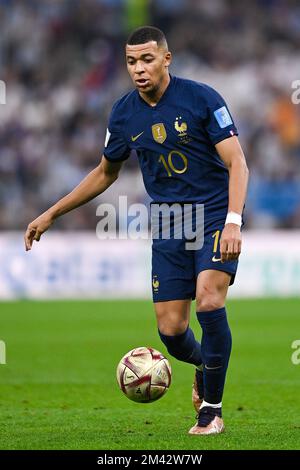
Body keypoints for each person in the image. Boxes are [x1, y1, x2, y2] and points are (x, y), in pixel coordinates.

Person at [24, 26, 249, 435]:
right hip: (166, 220)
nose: (139, 69)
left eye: (147, 59)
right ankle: (205, 364)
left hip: (214, 212)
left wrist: (233, 220)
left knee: (209, 301)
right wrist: (52, 213)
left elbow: (237, 163)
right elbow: (105, 172)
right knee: (172, 330)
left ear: (167, 59)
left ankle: (211, 411)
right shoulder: (123, 113)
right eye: (131, 62)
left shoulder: (202, 98)